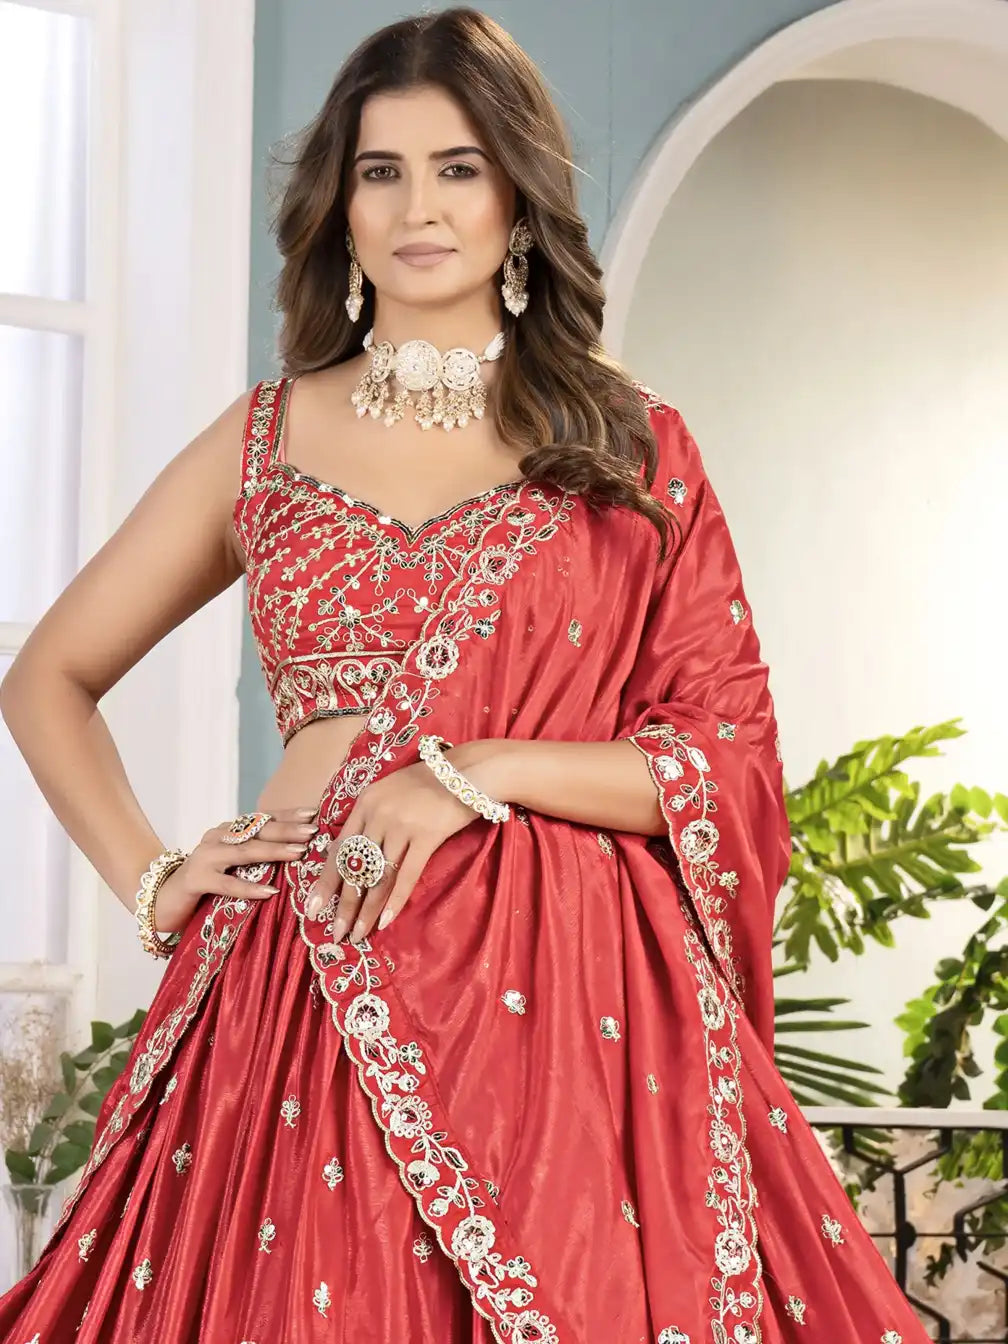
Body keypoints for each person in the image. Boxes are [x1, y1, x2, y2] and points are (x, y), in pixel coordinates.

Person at [0, 8, 928, 1342]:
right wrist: (153, 874)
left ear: (517, 197)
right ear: (342, 200)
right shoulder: (264, 436)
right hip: (307, 983)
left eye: (458, 167)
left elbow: (725, 755)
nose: (417, 207)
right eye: (381, 170)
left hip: (577, 1021)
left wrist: (476, 772)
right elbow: (50, 677)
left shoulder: (625, 445)